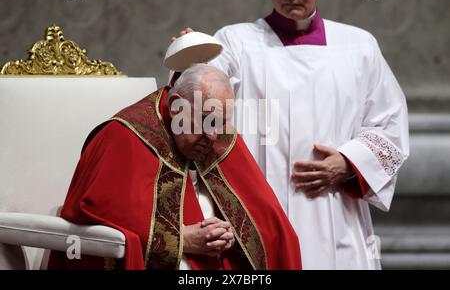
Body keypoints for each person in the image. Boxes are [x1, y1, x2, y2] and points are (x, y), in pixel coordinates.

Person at [175, 0, 410, 269]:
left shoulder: (359, 46)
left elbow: (389, 125)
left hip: (335, 213)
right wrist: (188, 63)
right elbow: (199, 92)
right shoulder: (236, 41)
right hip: (259, 208)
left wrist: (349, 163)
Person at [48, 64, 301, 270]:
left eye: (221, 123)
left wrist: (230, 236)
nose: (213, 136)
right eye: (205, 121)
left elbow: (269, 226)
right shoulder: (124, 136)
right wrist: (181, 239)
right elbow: (90, 217)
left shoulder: (217, 135)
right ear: (176, 105)